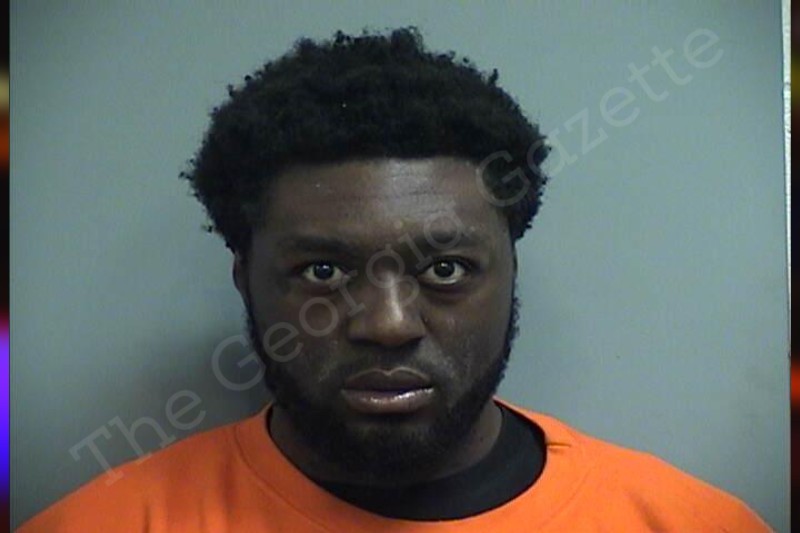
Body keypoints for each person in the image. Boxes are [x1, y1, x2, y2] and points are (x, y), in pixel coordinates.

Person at [19, 27, 769, 532]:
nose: (387, 324)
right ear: (245, 279)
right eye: (322, 270)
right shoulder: (107, 522)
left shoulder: (689, 522)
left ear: (511, 271)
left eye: (445, 269)